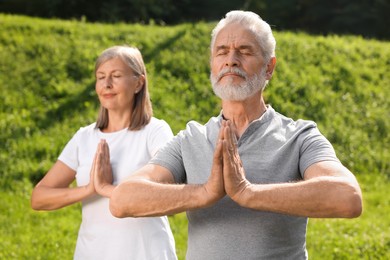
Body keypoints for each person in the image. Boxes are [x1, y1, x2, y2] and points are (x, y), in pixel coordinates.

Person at [104, 11, 362, 259]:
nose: (231, 60)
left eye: (245, 51)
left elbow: (348, 197)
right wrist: (204, 193)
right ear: (213, 66)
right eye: (222, 52)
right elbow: (122, 200)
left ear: (269, 67)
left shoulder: (300, 136)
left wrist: (247, 193)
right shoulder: (190, 139)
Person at [31, 46, 177, 260]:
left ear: (138, 83)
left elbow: (166, 193)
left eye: (116, 76)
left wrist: (107, 189)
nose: (106, 84)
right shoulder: (84, 137)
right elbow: (39, 197)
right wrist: (89, 189)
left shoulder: (155, 132)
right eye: (101, 77)